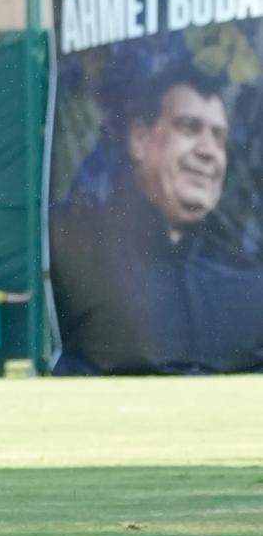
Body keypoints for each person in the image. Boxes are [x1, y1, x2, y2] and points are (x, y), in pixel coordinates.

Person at [50, 61, 263, 374]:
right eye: (190, 127)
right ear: (140, 138)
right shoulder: (74, 241)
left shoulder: (243, 266)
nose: (209, 152)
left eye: (219, 137)